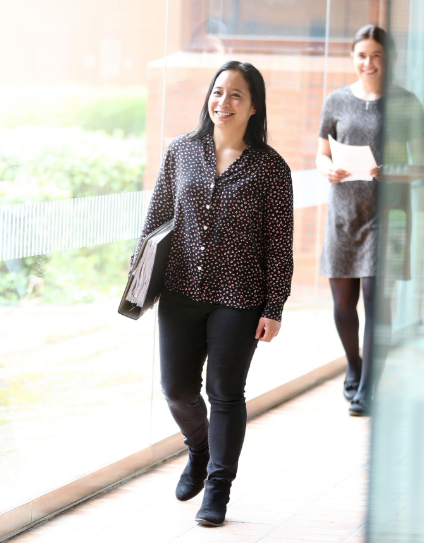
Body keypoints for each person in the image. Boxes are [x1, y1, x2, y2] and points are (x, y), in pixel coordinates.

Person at [132, 61, 294, 526]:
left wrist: (274, 306)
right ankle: (199, 451)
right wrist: (138, 279)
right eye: (218, 92)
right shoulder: (181, 151)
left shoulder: (270, 168)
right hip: (180, 288)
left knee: (225, 393)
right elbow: (158, 218)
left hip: (239, 296)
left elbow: (278, 244)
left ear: (254, 106)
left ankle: (218, 488)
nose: (223, 102)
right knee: (176, 388)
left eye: (236, 95)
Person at [315, 25, 424, 416]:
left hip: (387, 214)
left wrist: (392, 169)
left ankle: (368, 386)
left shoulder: (407, 103)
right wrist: (327, 168)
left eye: (377, 55)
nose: (369, 62)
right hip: (345, 214)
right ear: (353, 57)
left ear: (389, 58)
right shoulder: (336, 100)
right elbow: (321, 153)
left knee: (376, 300)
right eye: (362, 55)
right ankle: (354, 363)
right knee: (343, 304)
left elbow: (422, 167)